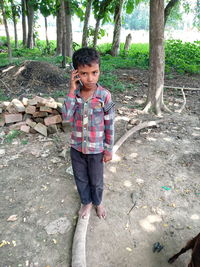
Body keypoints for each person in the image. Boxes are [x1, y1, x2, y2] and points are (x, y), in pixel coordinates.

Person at [62, 47, 115, 219]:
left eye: (94, 72)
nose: (90, 78)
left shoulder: (104, 96)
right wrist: (71, 90)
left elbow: (110, 124)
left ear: (99, 70)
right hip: (77, 148)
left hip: (96, 150)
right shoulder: (74, 95)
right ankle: (86, 202)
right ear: (76, 73)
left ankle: (98, 202)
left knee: (97, 181)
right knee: (81, 179)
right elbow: (66, 116)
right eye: (84, 73)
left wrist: (108, 149)